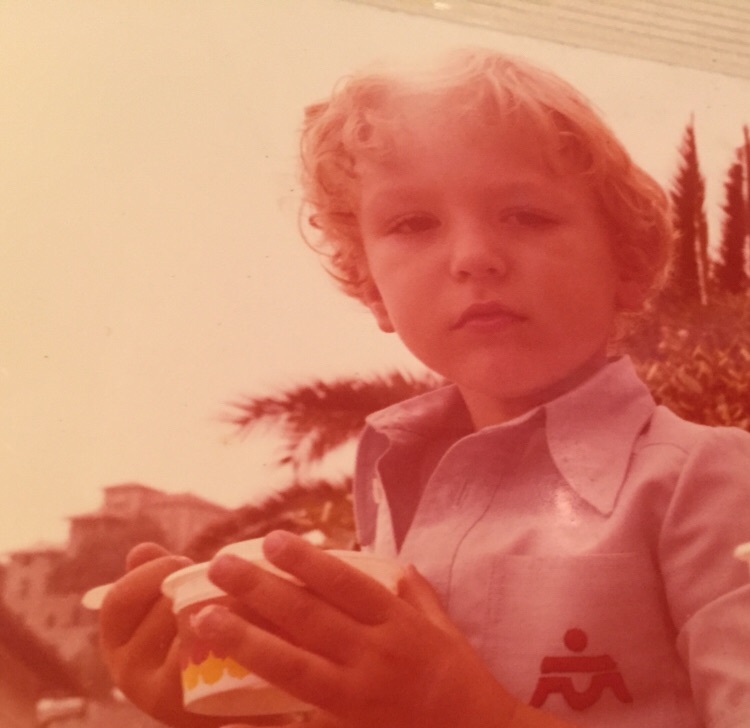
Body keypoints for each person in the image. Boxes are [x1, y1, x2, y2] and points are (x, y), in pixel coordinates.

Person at [98, 48, 750, 727]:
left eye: (525, 214)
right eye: (413, 224)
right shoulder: (390, 503)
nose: (473, 258)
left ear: (628, 264)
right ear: (372, 288)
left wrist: (465, 712)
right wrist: (225, 708)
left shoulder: (710, 480)